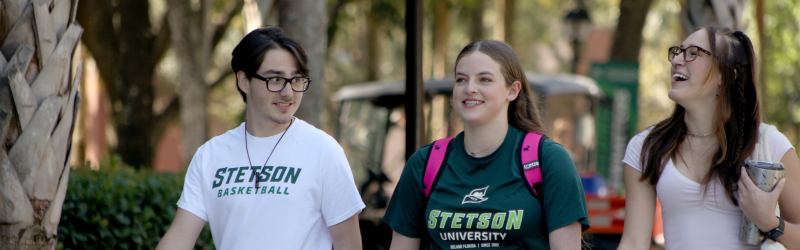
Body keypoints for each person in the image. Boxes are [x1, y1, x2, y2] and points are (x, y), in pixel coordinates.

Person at [156, 27, 365, 250]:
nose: (288, 92)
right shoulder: (211, 155)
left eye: (296, 79)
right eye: (275, 79)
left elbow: (348, 244)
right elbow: (179, 238)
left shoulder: (324, 151)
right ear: (244, 81)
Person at [382, 40, 589, 249]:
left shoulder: (548, 161)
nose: (470, 88)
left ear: (513, 90)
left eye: (484, 79)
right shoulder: (424, 164)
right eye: (461, 80)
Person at [618, 26, 800, 250]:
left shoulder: (769, 144)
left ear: (725, 75)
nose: (676, 61)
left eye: (693, 53)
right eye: (677, 52)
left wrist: (769, 222)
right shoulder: (646, 147)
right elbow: (634, 242)